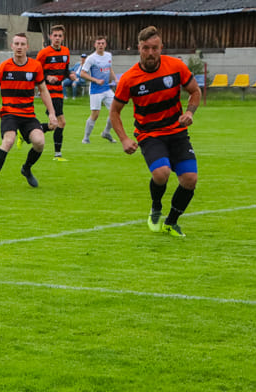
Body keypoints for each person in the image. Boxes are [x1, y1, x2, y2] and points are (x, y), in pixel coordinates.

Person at [110, 26, 201, 238]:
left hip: (177, 132)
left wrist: (190, 112)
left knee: (190, 180)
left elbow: (195, 91)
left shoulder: (176, 66)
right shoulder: (129, 78)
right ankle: (156, 206)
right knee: (162, 174)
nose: (150, 53)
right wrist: (123, 139)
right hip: (149, 134)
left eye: (154, 48)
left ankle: (171, 222)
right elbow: (114, 111)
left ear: (161, 48)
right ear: (138, 49)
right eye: (145, 48)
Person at [0, 33, 57, 190]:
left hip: (28, 114)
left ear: (27, 47)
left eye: (22, 44)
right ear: (12, 46)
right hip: (9, 113)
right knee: (9, 140)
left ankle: (27, 168)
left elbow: (43, 91)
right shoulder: (5, 66)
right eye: (16, 44)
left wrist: (51, 113)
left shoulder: (35, 66)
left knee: (39, 142)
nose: (19, 47)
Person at [36, 25, 79, 162]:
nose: (57, 38)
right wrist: (47, 77)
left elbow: (65, 70)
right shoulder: (44, 53)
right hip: (47, 92)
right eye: (55, 35)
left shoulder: (66, 51)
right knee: (61, 122)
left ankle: (29, 131)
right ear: (50, 37)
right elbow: (36, 71)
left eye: (60, 36)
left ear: (63, 37)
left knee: (54, 124)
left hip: (59, 91)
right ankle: (57, 154)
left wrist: (70, 74)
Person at [80, 36, 117, 144]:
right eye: (98, 43)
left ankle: (106, 132)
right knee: (95, 114)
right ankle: (86, 138)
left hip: (106, 88)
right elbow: (82, 73)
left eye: (102, 43)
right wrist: (95, 80)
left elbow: (109, 68)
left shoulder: (108, 55)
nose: (100, 45)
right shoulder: (91, 58)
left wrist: (115, 79)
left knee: (114, 112)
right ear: (95, 45)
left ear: (105, 45)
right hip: (96, 90)